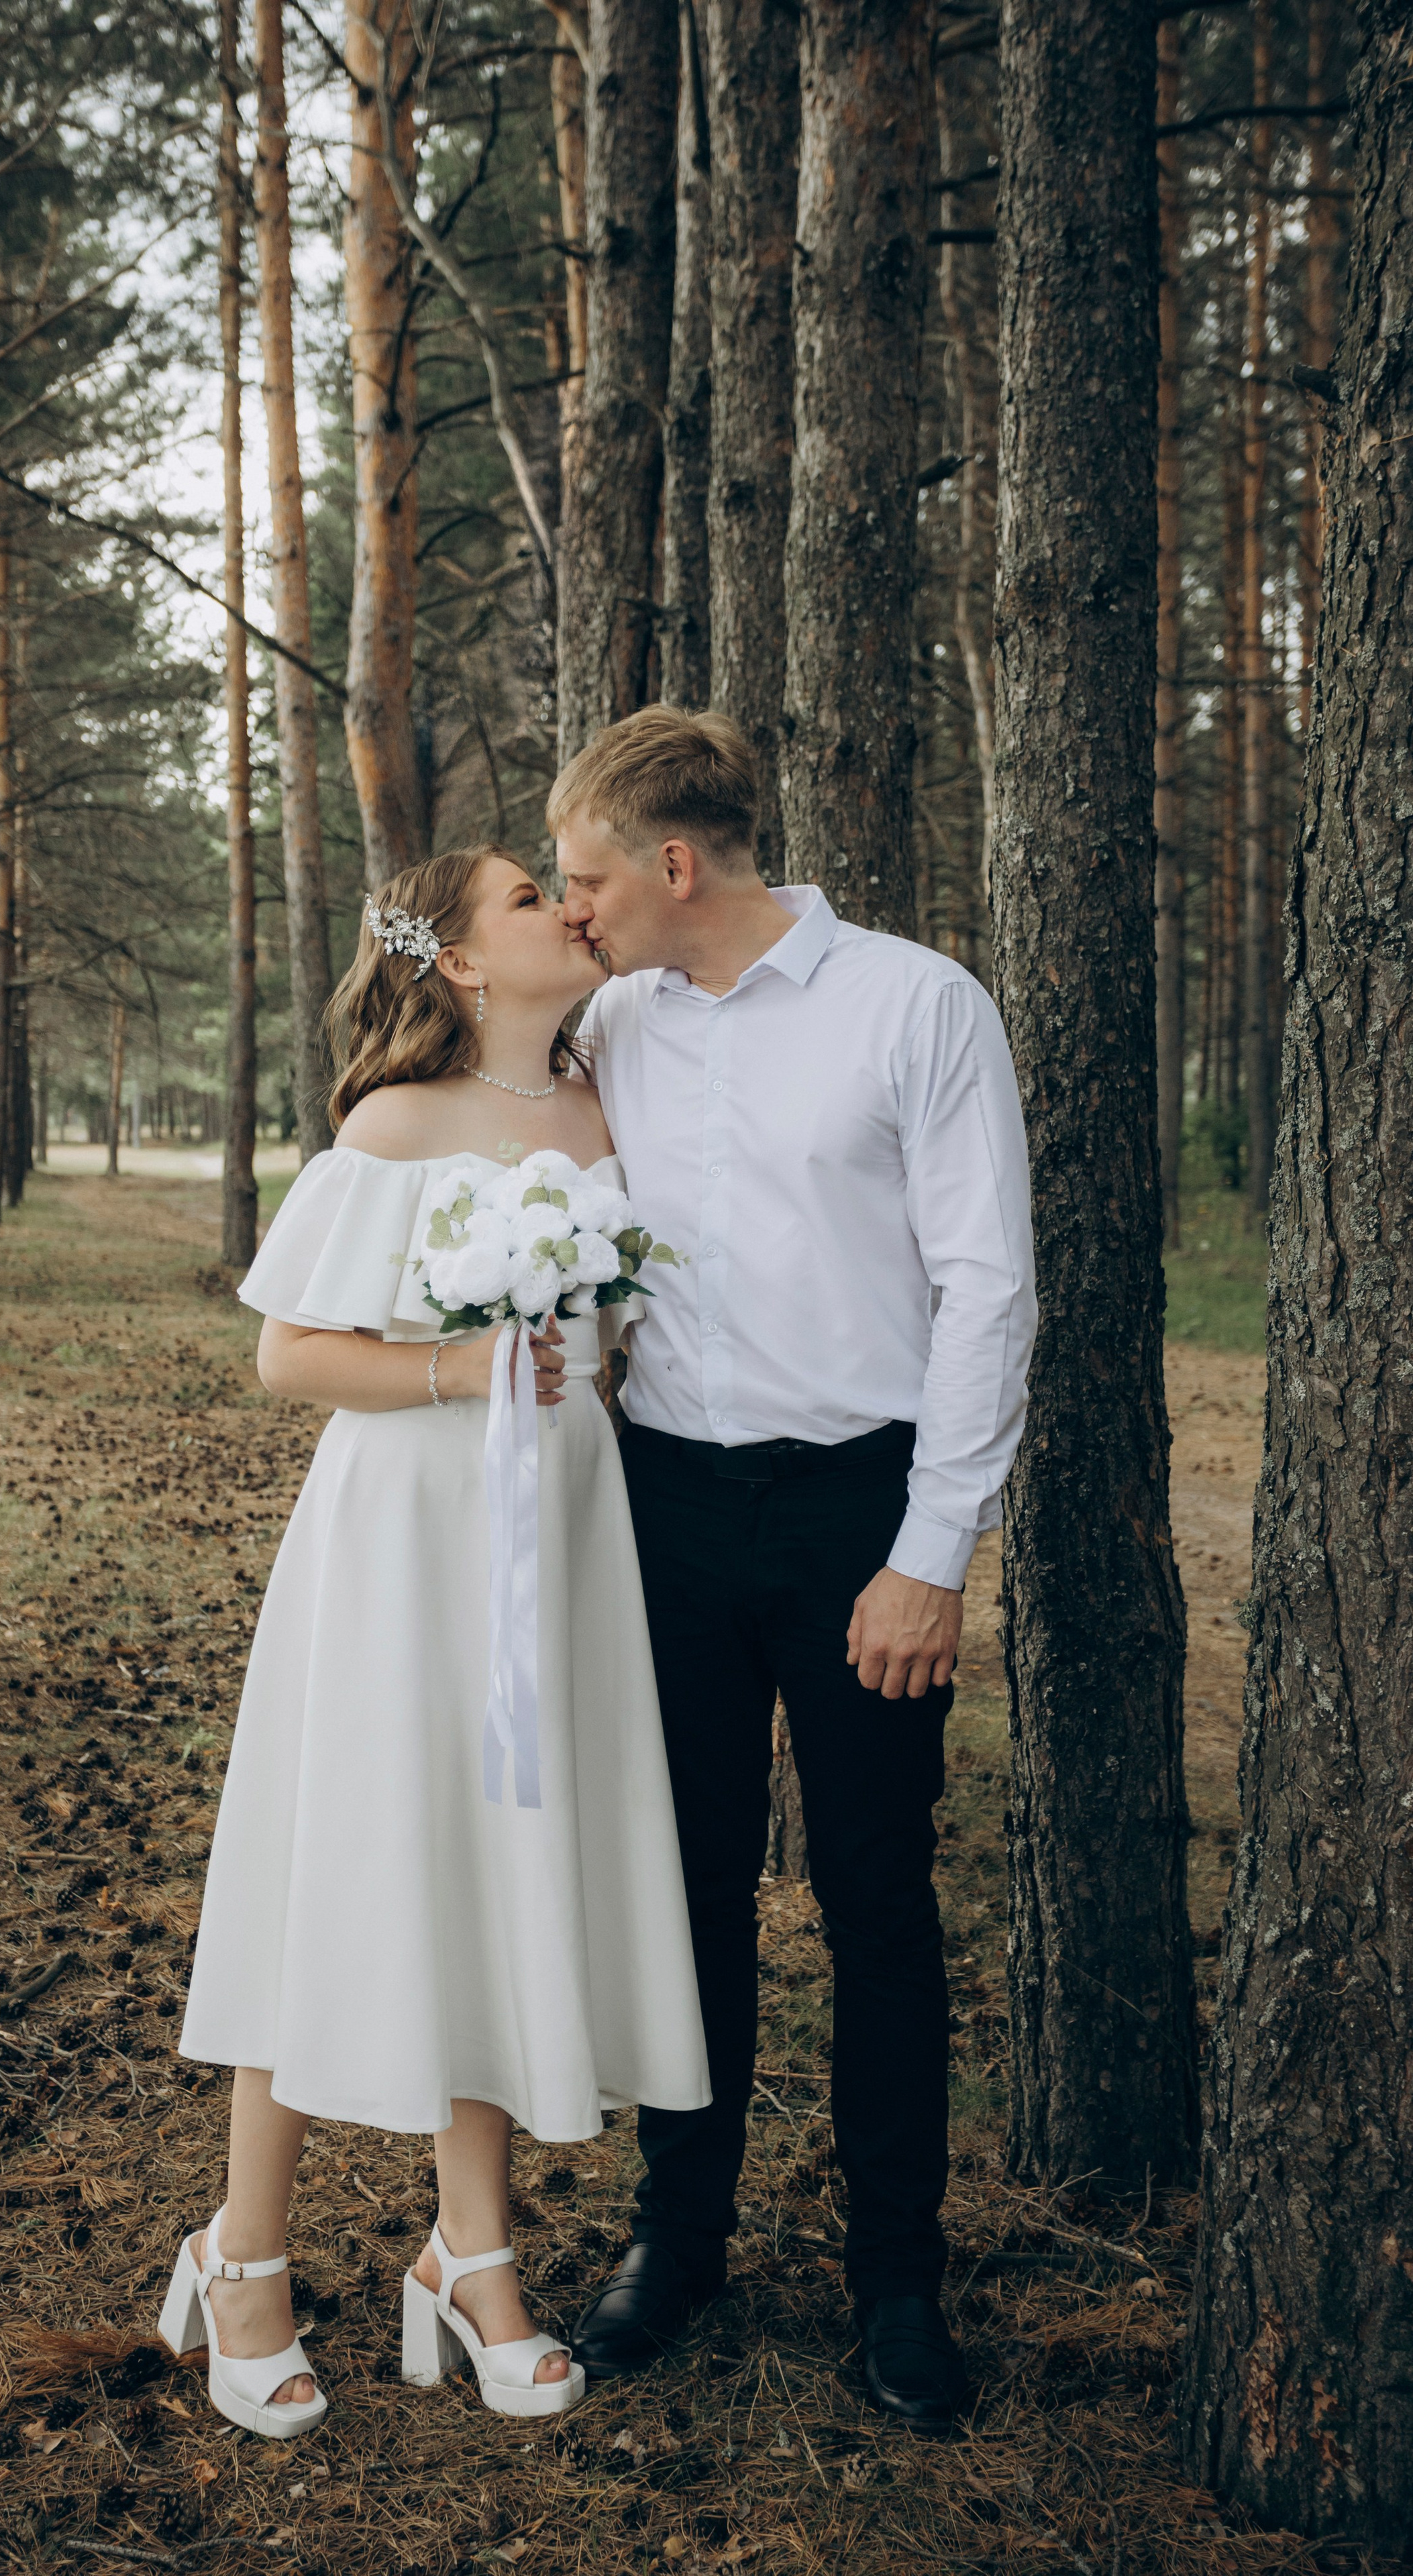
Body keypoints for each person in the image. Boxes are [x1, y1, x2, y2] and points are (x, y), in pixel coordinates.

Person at [162, 843, 710, 2438]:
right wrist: (456, 1377)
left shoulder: (607, 1115)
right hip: (404, 1533)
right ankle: (241, 2251)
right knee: (339, 1862)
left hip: (560, 1537)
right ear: (464, 963)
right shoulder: (392, 1128)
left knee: (495, 1866)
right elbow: (285, 1356)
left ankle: (471, 2258)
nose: (568, 910)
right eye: (531, 898)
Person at [554, 708, 1036, 2432]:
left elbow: (987, 1288)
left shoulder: (917, 1006)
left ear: (673, 865)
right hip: (666, 1509)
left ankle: (896, 2279)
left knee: (875, 1900)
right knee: (681, 1895)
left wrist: (931, 1553)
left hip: (860, 1514)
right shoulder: (604, 1022)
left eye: (589, 874)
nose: (574, 906)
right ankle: (677, 2240)